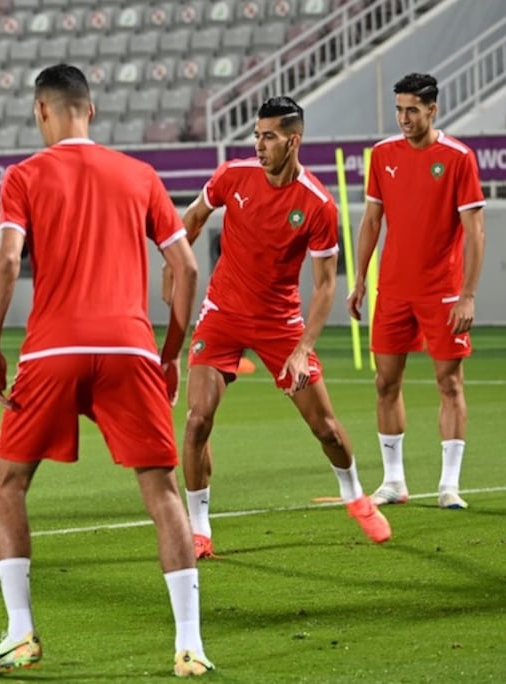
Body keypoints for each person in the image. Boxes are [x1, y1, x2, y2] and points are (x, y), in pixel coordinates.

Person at [0, 64, 213, 677]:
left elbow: (7, 261)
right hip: (131, 351)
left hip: (52, 352)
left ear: (41, 111)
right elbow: (185, 270)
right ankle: (189, 645)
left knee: (8, 487)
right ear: (92, 109)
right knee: (163, 493)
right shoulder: (139, 175)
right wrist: (170, 351)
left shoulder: (24, 176)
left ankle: (21, 634)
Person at [174, 97, 392, 561]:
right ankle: (199, 529)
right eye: (256, 135)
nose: (259, 145)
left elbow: (326, 284)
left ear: (293, 140)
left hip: (281, 325)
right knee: (197, 421)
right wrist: (173, 260)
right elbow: (192, 218)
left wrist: (303, 347)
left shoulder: (317, 205)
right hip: (223, 314)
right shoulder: (232, 175)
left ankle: (355, 496)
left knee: (327, 429)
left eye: (268, 136)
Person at [348, 73, 486, 510]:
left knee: (449, 383)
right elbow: (372, 222)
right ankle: (394, 482)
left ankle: (449, 485)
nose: (404, 118)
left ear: (432, 109)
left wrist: (468, 294)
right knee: (385, 383)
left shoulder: (459, 158)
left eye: (412, 110)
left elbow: (475, 231)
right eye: (399, 110)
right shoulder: (383, 155)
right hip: (392, 291)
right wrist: (358, 281)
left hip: (443, 294)